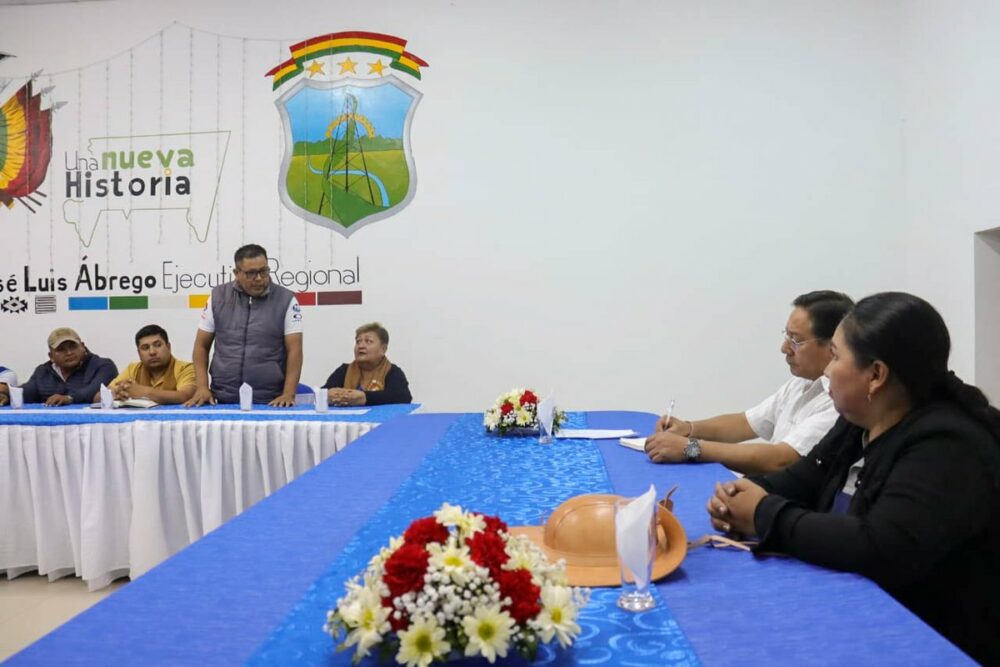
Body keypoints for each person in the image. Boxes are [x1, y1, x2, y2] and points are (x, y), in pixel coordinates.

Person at [707, 293, 1000, 664]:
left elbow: (878, 546)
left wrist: (763, 514)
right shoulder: (857, 421)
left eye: (835, 357)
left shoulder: (947, 446)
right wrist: (738, 498)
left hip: (926, 642)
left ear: (875, 375)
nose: (827, 371)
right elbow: (800, 481)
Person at [645, 291, 854, 475]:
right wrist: (689, 429)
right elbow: (745, 423)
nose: (784, 348)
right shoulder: (800, 384)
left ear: (832, 346)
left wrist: (689, 448)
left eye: (795, 340)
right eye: (786, 336)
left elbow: (780, 460)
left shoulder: (838, 402)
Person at [185, 244, 303, 407]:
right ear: (236, 273)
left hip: (270, 400)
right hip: (222, 398)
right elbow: (201, 346)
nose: (259, 278)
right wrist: (202, 387)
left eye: (264, 271)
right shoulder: (218, 297)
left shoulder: (286, 300)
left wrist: (289, 394)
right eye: (251, 273)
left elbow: (295, 351)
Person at [21, 327, 118, 406]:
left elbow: (93, 391)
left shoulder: (103, 366)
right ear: (51, 356)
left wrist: (69, 398)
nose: (69, 353)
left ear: (83, 346)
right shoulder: (42, 371)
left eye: (73, 346)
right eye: (61, 349)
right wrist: (11, 394)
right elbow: (26, 393)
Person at [104, 324, 196, 405]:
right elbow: (103, 394)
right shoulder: (133, 369)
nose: (152, 352)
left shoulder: (185, 368)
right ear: (139, 353)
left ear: (168, 347)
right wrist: (118, 393)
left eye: (157, 345)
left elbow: (185, 396)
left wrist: (143, 392)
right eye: (145, 348)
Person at [322, 322, 412, 406]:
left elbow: (403, 397)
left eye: (368, 341)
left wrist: (365, 398)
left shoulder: (392, 371)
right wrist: (328, 395)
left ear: (383, 349)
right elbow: (321, 393)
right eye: (358, 341)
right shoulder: (344, 370)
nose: (361, 346)